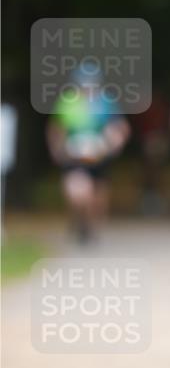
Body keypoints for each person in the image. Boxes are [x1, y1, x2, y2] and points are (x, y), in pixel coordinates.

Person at [46, 60, 130, 242]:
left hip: (99, 156)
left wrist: (114, 143)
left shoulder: (106, 102)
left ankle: (92, 226)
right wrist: (56, 149)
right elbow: (56, 127)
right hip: (74, 156)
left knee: (98, 193)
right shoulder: (67, 102)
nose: (88, 87)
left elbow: (120, 127)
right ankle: (79, 221)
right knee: (76, 190)